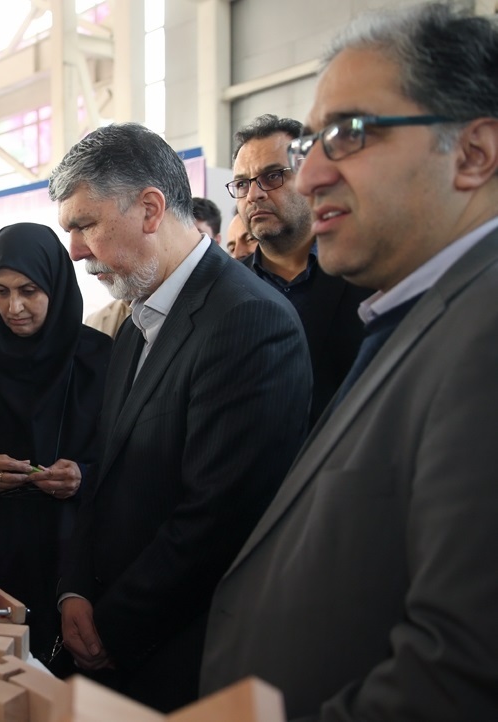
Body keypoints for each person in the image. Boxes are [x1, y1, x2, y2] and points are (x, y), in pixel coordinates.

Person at [201, 4, 498, 719]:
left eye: (350, 134)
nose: (308, 178)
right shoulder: (421, 311)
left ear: (473, 154)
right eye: (313, 143)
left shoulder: (484, 333)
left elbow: (460, 673)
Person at [50, 122, 311, 711]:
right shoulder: (136, 323)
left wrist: (112, 627)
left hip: (181, 656)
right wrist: (74, 589)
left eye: (85, 225)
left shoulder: (248, 321)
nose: (75, 251)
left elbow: (216, 521)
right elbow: (106, 475)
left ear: (149, 209)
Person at [0, 222, 111, 664]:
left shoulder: (100, 360)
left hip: (76, 558)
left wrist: (83, 476)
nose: (14, 307)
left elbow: (133, 459)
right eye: (1, 291)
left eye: (29, 291)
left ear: (55, 285)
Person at [229, 113, 373, 427]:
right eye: (242, 184)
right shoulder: (223, 289)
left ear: (310, 177)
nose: (254, 195)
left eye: (273, 176)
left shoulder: (368, 275)